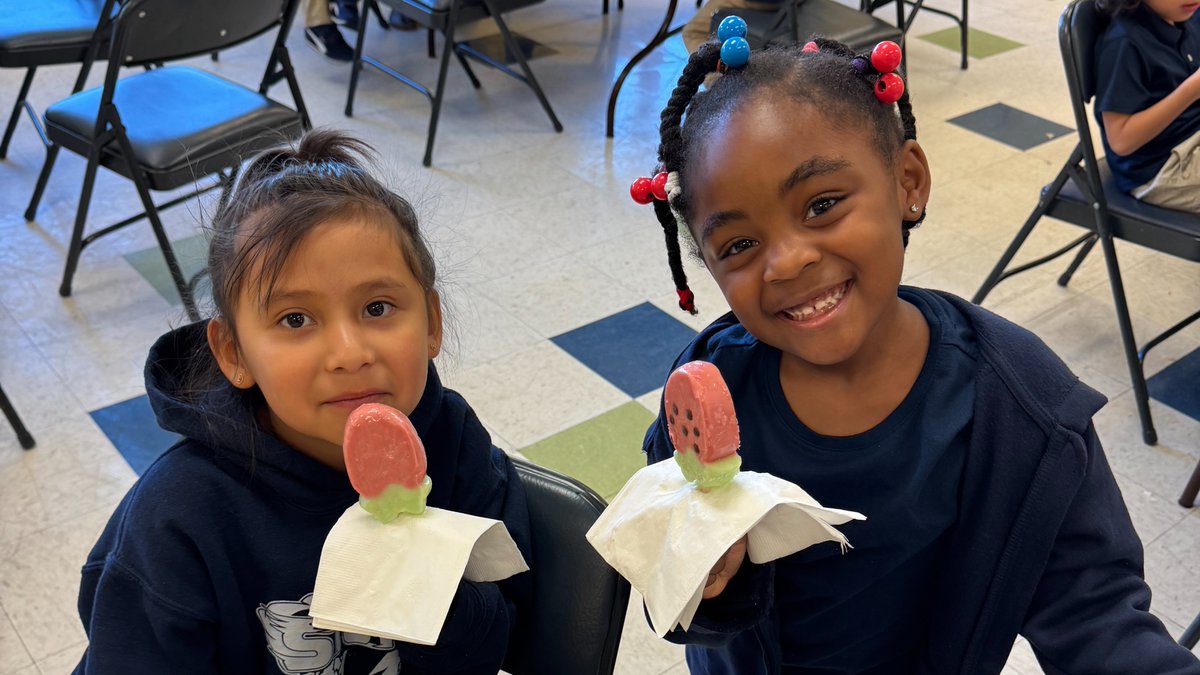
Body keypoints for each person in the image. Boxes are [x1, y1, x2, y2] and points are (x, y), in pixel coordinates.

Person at [633, 27, 1200, 675]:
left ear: (908, 180)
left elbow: (1094, 612)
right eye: (738, 246)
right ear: (706, 264)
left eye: (821, 204)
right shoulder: (709, 388)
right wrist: (706, 579)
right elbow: (671, 589)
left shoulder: (1021, 410)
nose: (787, 262)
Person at [72, 130, 532, 674]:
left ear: (431, 322)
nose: (349, 353)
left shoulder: (451, 439)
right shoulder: (180, 518)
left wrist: (431, 587)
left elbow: (507, 632)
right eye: (296, 320)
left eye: (378, 307)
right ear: (233, 352)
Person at [1094, 0, 1200, 212]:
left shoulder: (1180, 17)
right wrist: (1191, 90)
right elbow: (1121, 140)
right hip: (1162, 169)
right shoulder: (1125, 43)